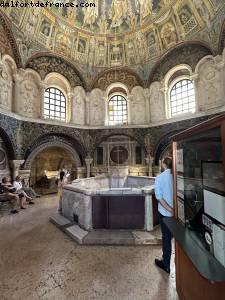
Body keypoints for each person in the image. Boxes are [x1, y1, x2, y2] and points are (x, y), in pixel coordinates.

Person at [154, 157, 173, 274]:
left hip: (165, 212)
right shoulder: (175, 176)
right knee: (173, 237)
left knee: (166, 237)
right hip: (177, 213)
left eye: (161, 163)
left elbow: (159, 197)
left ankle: (166, 264)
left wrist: (170, 209)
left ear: (164, 164)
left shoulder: (159, 178)